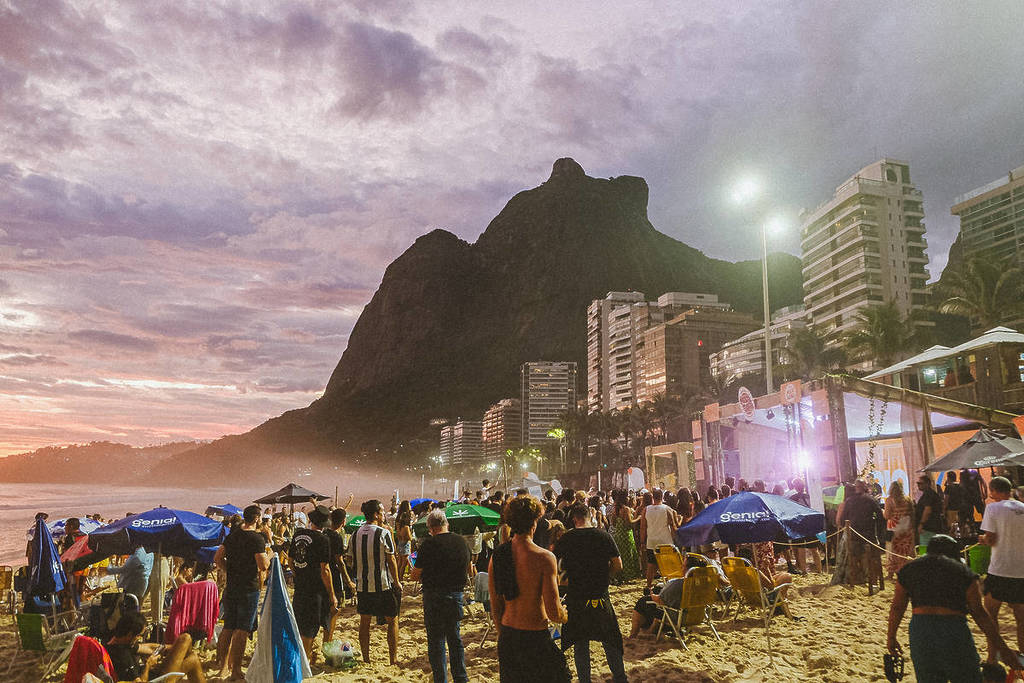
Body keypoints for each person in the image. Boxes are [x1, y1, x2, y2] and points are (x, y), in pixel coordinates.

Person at [887, 534, 1018, 682]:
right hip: (953, 629)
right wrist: (1003, 649)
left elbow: (897, 608)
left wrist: (891, 637)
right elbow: (980, 614)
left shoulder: (908, 571)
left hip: (921, 630)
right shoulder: (963, 573)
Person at [489, 495, 570, 683]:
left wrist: (504, 637)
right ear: (534, 522)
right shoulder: (544, 557)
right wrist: (564, 614)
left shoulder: (498, 555)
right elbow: (553, 612)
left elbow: (496, 606)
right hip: (535, 636)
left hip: (508, 635)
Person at [553, 503, 627, 683]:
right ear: (590, 516)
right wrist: (604, 576)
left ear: (574, 518)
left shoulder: (566, 538)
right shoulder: (603, 535)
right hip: (600, 595)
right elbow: (618, 565)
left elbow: (557, 567)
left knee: (580, 642)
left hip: (577, 596)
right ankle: (620, 678)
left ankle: (585, 680)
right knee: (610, 640)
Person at [410, 508, 472, 683]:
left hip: (434, 595)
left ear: (430, 528)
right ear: (446, 524)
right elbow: (468, 567)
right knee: (455, 638)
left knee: (436, 640)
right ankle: (461, 678)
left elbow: (415, 575)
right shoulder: (461, 542)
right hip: (456, 594)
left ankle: (440, 679)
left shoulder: (428, 545)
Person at [214, 504, 270, 681]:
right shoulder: (256, 538)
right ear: (255, 518)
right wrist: (269, 554)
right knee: (242, 630)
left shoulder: (232, 536)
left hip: (232, 587)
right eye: (259, 517)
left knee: (228, 627)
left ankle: (222, 668)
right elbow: (263, 565)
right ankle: (236, 670)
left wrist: (229, 569)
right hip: (248, 587)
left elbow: (217, 558)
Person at [348, 499, 401, 666]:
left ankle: (366, 659)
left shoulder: (355, 534)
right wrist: (397, 581)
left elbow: (349, 559)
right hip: (383, 583)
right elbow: (391, 559)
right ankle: (393, 659)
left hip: (363, 584)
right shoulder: (383, 533)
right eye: (382, 511)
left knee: (365, 621)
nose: (384, 514)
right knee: (392, 619)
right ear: (376, 514)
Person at [980, 476, 1024, 662]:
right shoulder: (1023, 507)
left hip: (1000, 569)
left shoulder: (992, 508)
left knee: (990, 616)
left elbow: (990, 539)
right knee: (1021, 620)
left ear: (994, 491)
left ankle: (992, 657)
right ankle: (1022, 657)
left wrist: (982, 540)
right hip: (1021, 571)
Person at [289, 505, 338, 662]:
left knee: (300, 623)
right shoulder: (323, 540)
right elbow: (325, 570)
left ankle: (301, 657)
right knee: (310, 627)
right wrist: (332, 594)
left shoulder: (298, 535)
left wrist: (299, 574)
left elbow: (291, 561)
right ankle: (305, 661)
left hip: (300, 585)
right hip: (315, 587)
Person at [106, 610, 207, 682]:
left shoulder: (119, 641)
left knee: (189, 650)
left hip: (155, 674)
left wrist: (177, 649)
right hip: (160, 680)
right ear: (129, 634)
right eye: (139, 636)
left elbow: (148, 648)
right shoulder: (122, 655)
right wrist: (148, 665)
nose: (140, 639)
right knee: (188, 645)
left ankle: (185, 653)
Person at [838, 479, 885, 593]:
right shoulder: (870, 499)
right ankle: (873, 582)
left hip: (854, 533)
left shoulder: (849, 501)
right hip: (868, 534)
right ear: (865, 487)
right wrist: (879, 532)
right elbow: (880, 516)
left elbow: (843, 518)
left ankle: (854, 581)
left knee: (854, 558)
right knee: (872, 559)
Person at [324, 507, 356, 641]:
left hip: (322, 575)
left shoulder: (324, 533)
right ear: (343, 522)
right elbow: (340, 562)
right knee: (334, 610)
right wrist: (349, 581)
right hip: (334, 575)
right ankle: (327, 641)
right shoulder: (336, 537)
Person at [641, 488, 677, 594]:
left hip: (652, 541)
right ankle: (669, 584)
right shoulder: (667, 509)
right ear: (662, 497)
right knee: (668, 565)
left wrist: (642, 541)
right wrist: (675, 539)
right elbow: (673, 525)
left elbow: (643, 527)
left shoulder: (646, 509)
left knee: (651, 565)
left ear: (653, 497)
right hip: (665, 540)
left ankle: (648, 585)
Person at [788, 478, 823, 573]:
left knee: (801, 548)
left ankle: (804, 571)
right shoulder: (810, 497)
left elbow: (790, 512)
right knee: (814, 549)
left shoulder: (793, 498)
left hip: (799, 525)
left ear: (795, 487)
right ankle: (819, 570)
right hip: (811, 524)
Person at [884, 480, 916, 580]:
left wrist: (882, 512)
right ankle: (907, 570)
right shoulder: (907, 499)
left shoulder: (890, 500)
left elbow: (887, 515)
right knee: (906, 549)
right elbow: (912, 513)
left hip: (895, 527)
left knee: (893, 550)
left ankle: (891, 573)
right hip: (907, 527)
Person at [609, 489, 642, 581]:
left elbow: (613, 523)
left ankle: (620, 575)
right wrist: (638, 518)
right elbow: (629, 523)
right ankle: (629, 575)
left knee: (622, 555)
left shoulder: (615, 509)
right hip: (626, 535)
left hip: (618, 535)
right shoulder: (626, 509)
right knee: (629, 554)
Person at [916, 474, 946, 548]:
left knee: (926, 548)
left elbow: (927, 510)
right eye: (917, 483)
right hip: (931, 526)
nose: (918, 485)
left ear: (927, 484)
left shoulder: (928, 494)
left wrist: (921, 524)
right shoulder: (929, 493)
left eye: (920, 483)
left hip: (929, 527)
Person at [395, 501, 414, 581]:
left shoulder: (399, 518)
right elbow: (409, 537)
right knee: (404, 562)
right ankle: (400, 578)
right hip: (405, 542)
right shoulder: (406, 526)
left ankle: (398, 577)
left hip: (400, 541)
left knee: (399, 562)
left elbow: (398, 532)